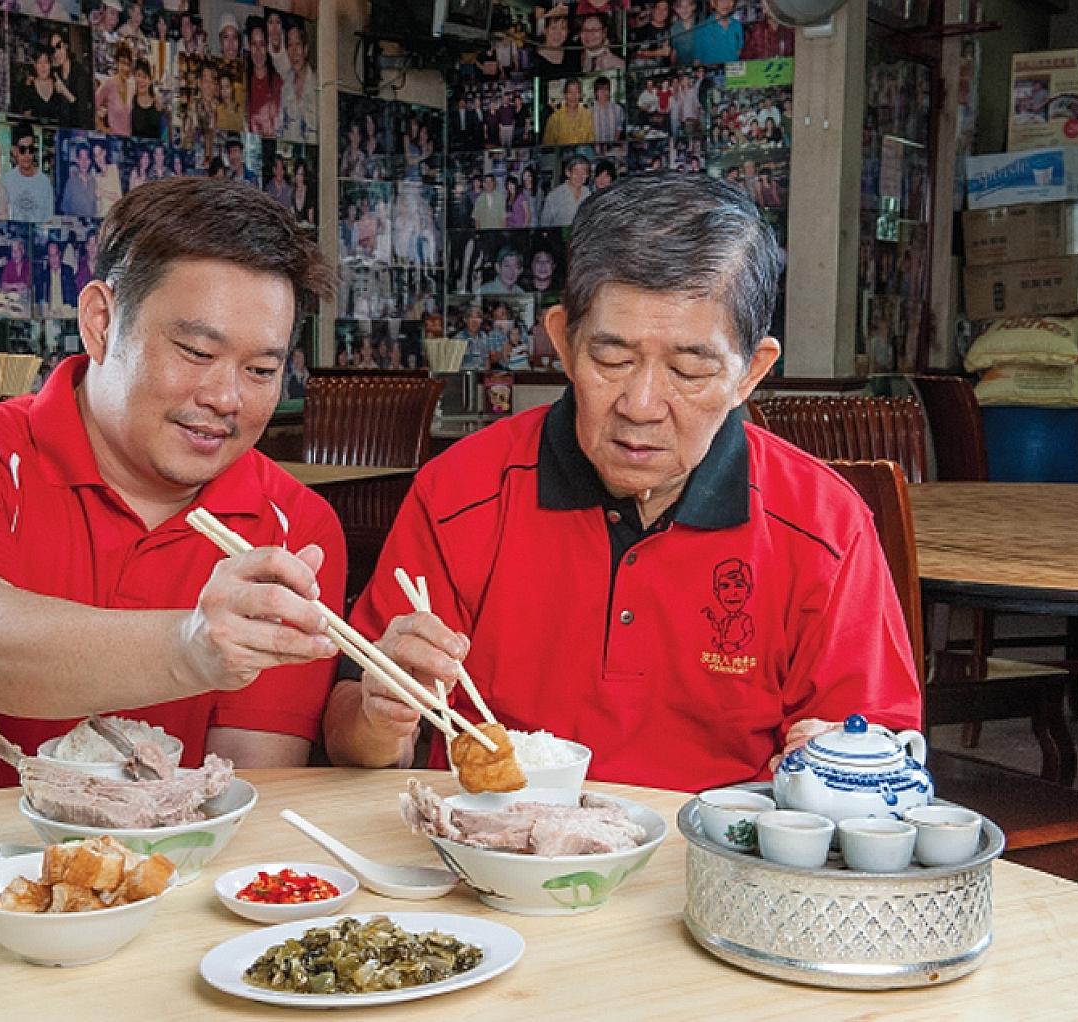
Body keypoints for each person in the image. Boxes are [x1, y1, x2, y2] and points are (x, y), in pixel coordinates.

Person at [323, 173, 921, 791]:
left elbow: (880, 759)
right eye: (612, 360)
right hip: (491, 838)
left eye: (688, 371)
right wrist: (379, 717)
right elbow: (348, 739)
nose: (640, 404)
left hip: (715, 846)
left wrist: (838, 766)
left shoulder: (824, 526)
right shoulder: (460, 493)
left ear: (750, 373)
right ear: (563, 342)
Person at [0, 176, 342, 799]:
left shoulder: (294, 528)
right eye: (196, 352)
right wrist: (191, 649)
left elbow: (250, 786)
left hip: (184, 858)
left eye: (261, 370)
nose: (226, 398)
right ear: (100, 322)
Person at [4, 124, 54, 222]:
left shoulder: (44, 183)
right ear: (14, 151)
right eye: (22, 150)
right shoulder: (7, 181)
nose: (27, 155)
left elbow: (49, 219)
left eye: (30, 149)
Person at [277, 24, 316, 143]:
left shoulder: (318, 85)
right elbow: (280, 128)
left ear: (305, 49)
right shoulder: (285, 87)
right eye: (290, 45)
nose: (294, 51)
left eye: (298, 44)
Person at [245, 20, 280, 137]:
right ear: (249, 46)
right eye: (254, 44)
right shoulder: (243, 82)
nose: (258, 51)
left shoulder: (278, 82)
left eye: (262, 44)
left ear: (267, 47)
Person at [541, 155, 591, 227]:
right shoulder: (554, 196)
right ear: (568, 173)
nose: (580, 176)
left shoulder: (588, 193)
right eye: (576, 173)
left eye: (583, 173)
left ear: (587, 175)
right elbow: (544, 224)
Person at [94, 43, 132, 135]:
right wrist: (103, 128)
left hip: (129, 140)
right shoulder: (108, 85)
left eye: (128, 64)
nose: (126, 68)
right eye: (122, 63)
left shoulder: (132, 86)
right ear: (117, 63)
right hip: (113, 139)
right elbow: (92, 107)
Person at [542, 78, 592, 146]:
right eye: (570, 92)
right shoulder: (555, 118)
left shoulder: (587, 115)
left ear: (580, 95)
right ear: (565, 95)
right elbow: (548, 145)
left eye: (576, 92)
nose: (573, 96)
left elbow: (591, 140)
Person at [35, 237, 76, 318]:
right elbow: (38, 299)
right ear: (47, 258)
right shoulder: (43, 275)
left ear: (60, 254)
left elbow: (73, 297)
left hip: (65, 313)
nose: (54, 259)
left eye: (56, 254)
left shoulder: (68, 271)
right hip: (49, 314)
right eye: (51, 255)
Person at [694, 0, 743, 65]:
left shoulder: (737, 25)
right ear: (713, 3)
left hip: (732, 69)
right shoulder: (701, 28)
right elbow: (697, 60)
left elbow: (739, 50)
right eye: (720, 1)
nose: (725, 4)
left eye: (729, 0)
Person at [59, 140, 98, 217]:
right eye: (81, 158)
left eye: (86, 158)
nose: (84, 162)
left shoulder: (94, 181)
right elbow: (65, 210)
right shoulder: (70, 183)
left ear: (90, 161)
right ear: (77, 160)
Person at [130, 58, 165, 139]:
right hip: (134, 146)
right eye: (138, 75)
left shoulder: (157, 103)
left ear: (150, 81)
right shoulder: (130, 102)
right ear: (134, 78)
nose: (141, 80)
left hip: (155, 146)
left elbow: (164, 134)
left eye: (145, 77)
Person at [91, 139, 123, 211]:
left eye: (100, 154)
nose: (98, 158)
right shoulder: (96, 177)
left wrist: (103, 193)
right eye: (96, 156)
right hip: (101, 214)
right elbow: (97, 203)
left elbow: (119, 198)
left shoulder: (114, 169)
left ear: (104, 152)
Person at [592, 76, 625, 142]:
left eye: (606, 89)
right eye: (600, 89)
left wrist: (613, 144)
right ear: (595, 92)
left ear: (609, 91)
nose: (603, 92)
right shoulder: (589, 112)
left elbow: (619, 129)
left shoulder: (618, 109)